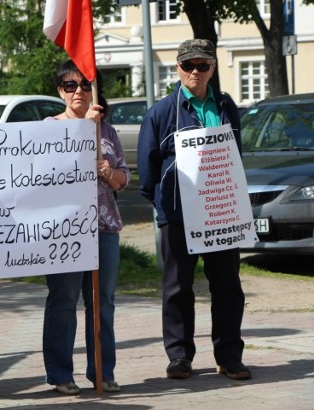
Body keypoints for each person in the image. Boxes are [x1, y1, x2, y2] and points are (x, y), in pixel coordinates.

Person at [137, 39, 251, 381]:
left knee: (228, 286)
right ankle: (179, 357)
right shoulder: (160, 112)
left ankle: (230, 356)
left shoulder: (227, 107)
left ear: (213, 68)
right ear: (178, 69)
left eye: (203, 66)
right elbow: (147, 171)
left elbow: (234, 157)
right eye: (189, 66)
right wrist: (166, 203)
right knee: (177, 287)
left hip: (221, 213)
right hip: (179, 215)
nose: (195, 72)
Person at [42, 60, 130, 395]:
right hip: (64, 230)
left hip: (104, 228)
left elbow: (123, 179)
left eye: (85, 85)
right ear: (60, 91)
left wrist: (108, 171)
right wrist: (84, 132)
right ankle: (61, 374)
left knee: (102, 302)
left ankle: (102, 372)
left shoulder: (106, 130)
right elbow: (44, 174)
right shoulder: (49, 128)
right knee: (63, 301)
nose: (78, 91)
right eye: (70, 85)